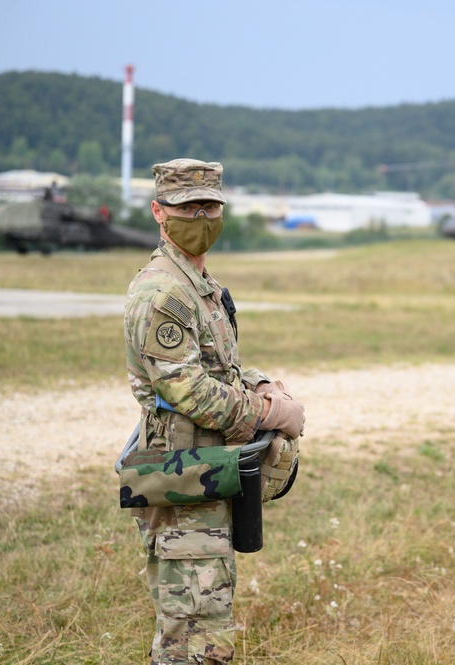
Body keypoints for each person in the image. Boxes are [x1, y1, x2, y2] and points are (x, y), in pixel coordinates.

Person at [124, 158, 305, 664]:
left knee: (209, 622)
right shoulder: (164, 293)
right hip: (183, 474)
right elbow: (191, 393)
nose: (201, 217)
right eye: (187, 207)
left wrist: (262, 385)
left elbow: (221, 370)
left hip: (211, 470)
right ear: (160, 212)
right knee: (194, 639)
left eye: (210, 206)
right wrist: (268, 413)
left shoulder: (201, 285)